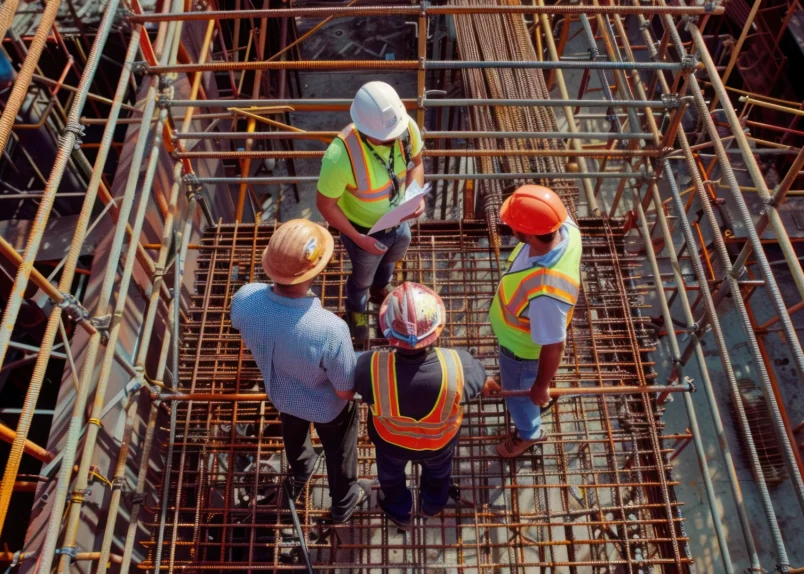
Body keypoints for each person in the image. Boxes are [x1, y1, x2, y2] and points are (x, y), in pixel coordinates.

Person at [230, 219, 366, 523]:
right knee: (340, 450)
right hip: (329, 409)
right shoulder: (330, 329)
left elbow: (241, 325)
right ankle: (344, 501)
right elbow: (345, 391)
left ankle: (302, 467)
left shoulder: (245, 299)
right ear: (315, 271)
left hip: (281, 394)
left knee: (294, 430)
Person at [353, 282, 487, 530]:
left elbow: (351, 385)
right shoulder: (462, 366)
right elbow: (479, 382)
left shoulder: (368, 367)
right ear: (438, 327)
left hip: (390, 443)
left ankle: (400, 510)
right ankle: (432, 506)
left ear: (386, 331)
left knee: (391, 477)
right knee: (438, 475)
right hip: (438, 443)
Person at [316, 81, 427, 345]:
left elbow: (417, 163)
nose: (393, 139)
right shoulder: (340, 156)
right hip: (364, 231)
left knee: (391, 259)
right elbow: (325, 205)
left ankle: (381, 289)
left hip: (399, 221)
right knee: (361, 278)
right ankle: (357, 311)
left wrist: (414, 194)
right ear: (365, 129)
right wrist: (358, 238)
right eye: (385, 137)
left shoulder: (404, 127)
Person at [487, 186, 581, 458]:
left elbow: (553, 346)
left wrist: (540, 387)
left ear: (527, 234)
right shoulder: (568, 228)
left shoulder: (545, 292)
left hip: (521, 352)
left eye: (512, 225)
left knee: (520, 397)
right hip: (524, 337)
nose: (508, 226)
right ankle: (533, 386)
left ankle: (530, 433)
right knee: (521, 383)